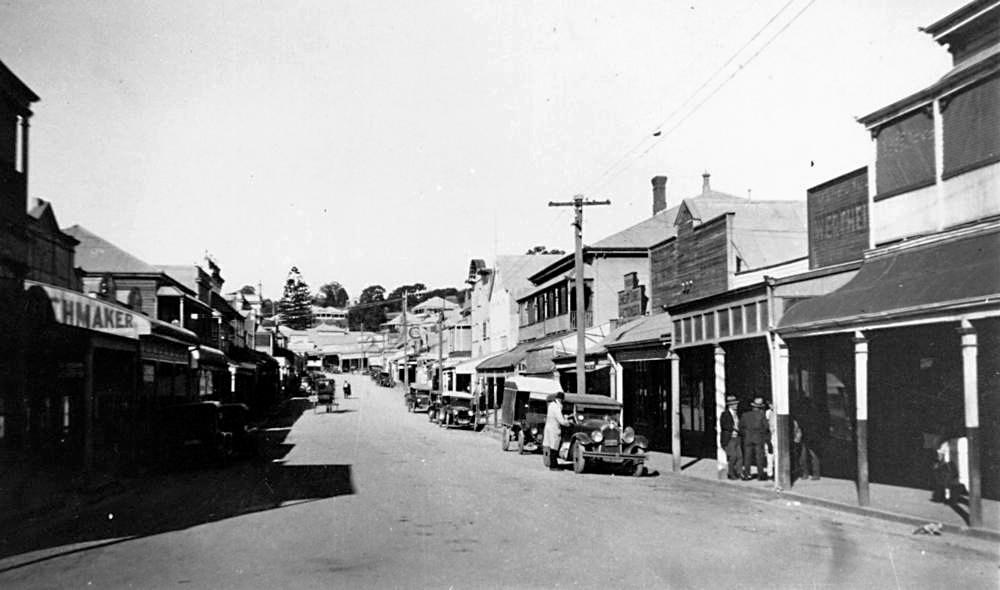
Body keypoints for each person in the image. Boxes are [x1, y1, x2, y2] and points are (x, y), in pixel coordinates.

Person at [741, 397, 771, 481]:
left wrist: (746, 434)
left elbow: (741, 427)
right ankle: (760, 475)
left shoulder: (745, 415)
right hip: (758, 438)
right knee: (759, 457)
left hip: (747, 438)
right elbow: (766, 427)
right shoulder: (762, 415)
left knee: (747, 457)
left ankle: (747, 474)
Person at [719, 395, 746, 480]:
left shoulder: (737, 414)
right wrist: (734, 427)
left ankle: (739, 472)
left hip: (737, 438)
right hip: (729, 438)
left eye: (736, 404)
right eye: (734, 404)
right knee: (733, 456)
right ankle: (730, 473)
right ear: (730, 405)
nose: (736, 406)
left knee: (740, 456)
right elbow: (724, 426)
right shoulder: (725, 414)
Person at [542, 392, 570, 471]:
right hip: (554, 429)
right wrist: (568, 423)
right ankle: (553, 466)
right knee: (554, 448)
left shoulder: (551, 405)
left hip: (549, 428)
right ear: (561, 399)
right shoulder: (556, 407)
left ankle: (553, 464)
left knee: (551, 447)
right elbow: (561, 421)